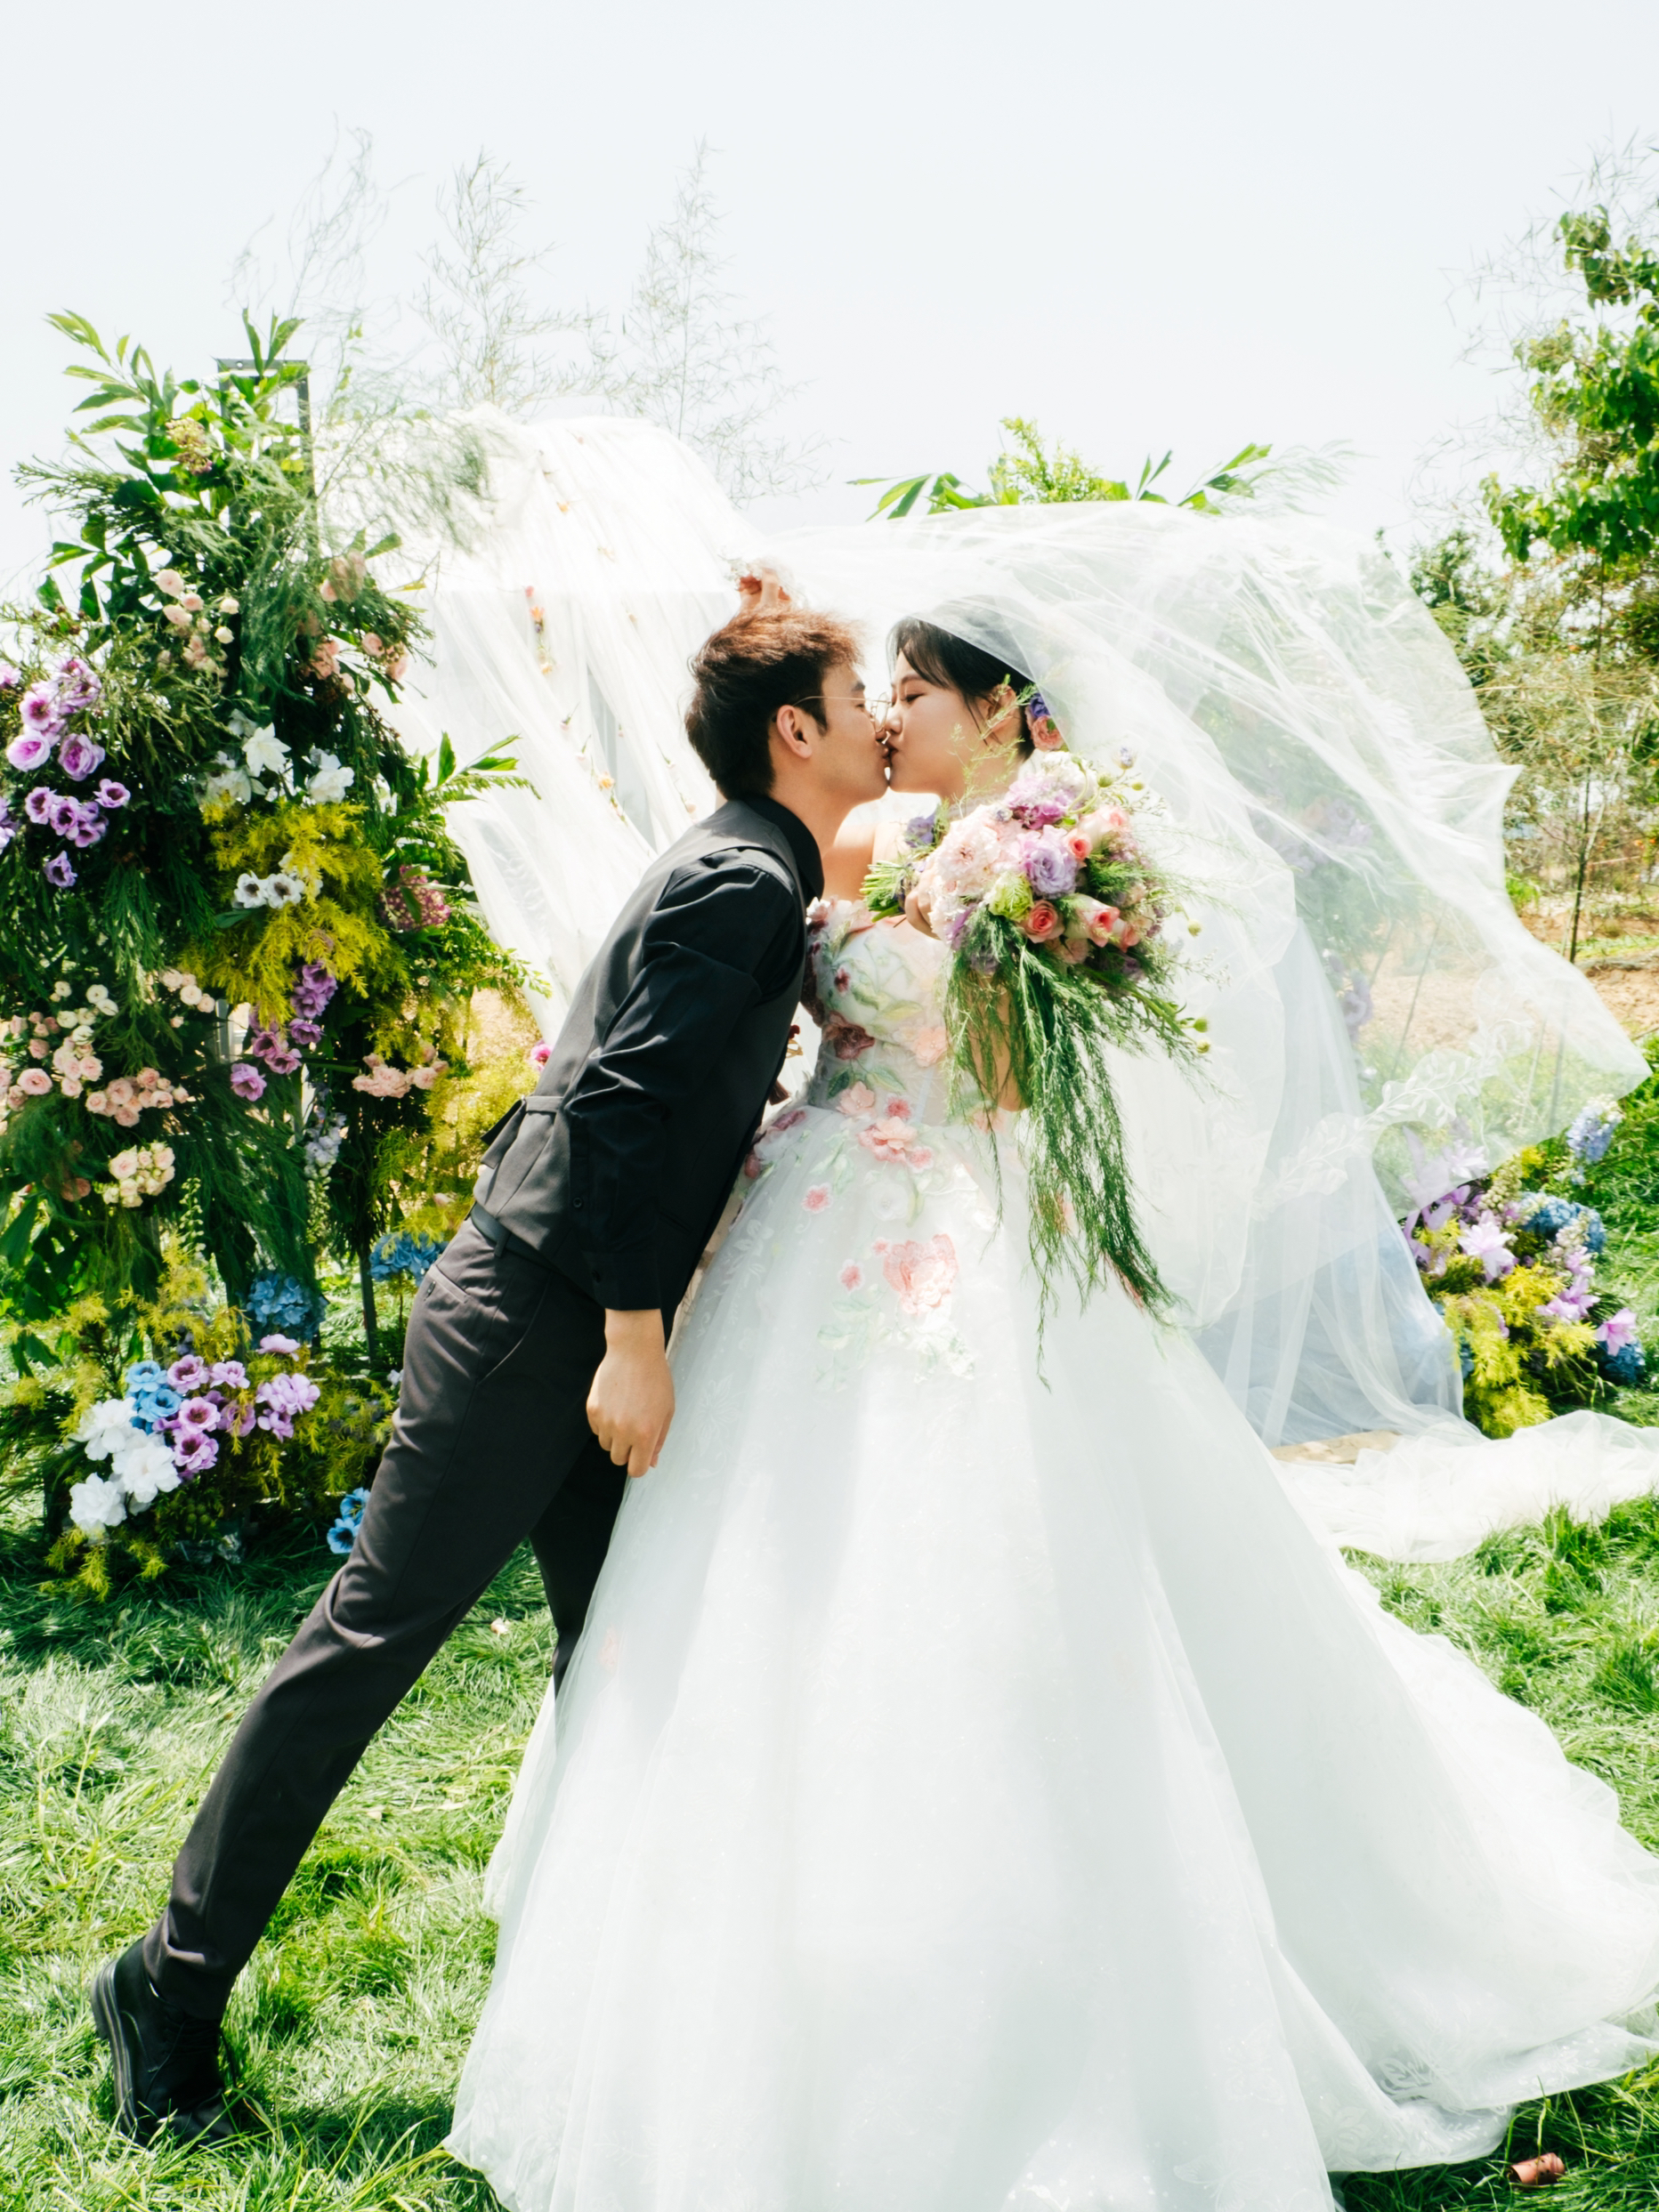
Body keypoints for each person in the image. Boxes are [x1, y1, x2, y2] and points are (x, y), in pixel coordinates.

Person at [446, 608, 1659, 2212]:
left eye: (916, 691)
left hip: (953, 1224)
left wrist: (1001, 960)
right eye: (876, 692)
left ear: (1001, 706)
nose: (891, 714)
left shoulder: (1046, 851)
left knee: (995, 1564)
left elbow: (1017, 1080)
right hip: (817, 1220)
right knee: (769, 1565)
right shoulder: (889, 841)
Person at [88, 598, 887, 2148]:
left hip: (584, 1310)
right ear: (796, 729)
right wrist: (637, 1343)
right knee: (370, 1639)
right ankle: (165, 1991)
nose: (880, 715)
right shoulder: (739, 878)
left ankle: (620, 2010)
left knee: (629, 1656)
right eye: (860, 692)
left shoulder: (763, 866)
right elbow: (618, 1111)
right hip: (541, 1319)